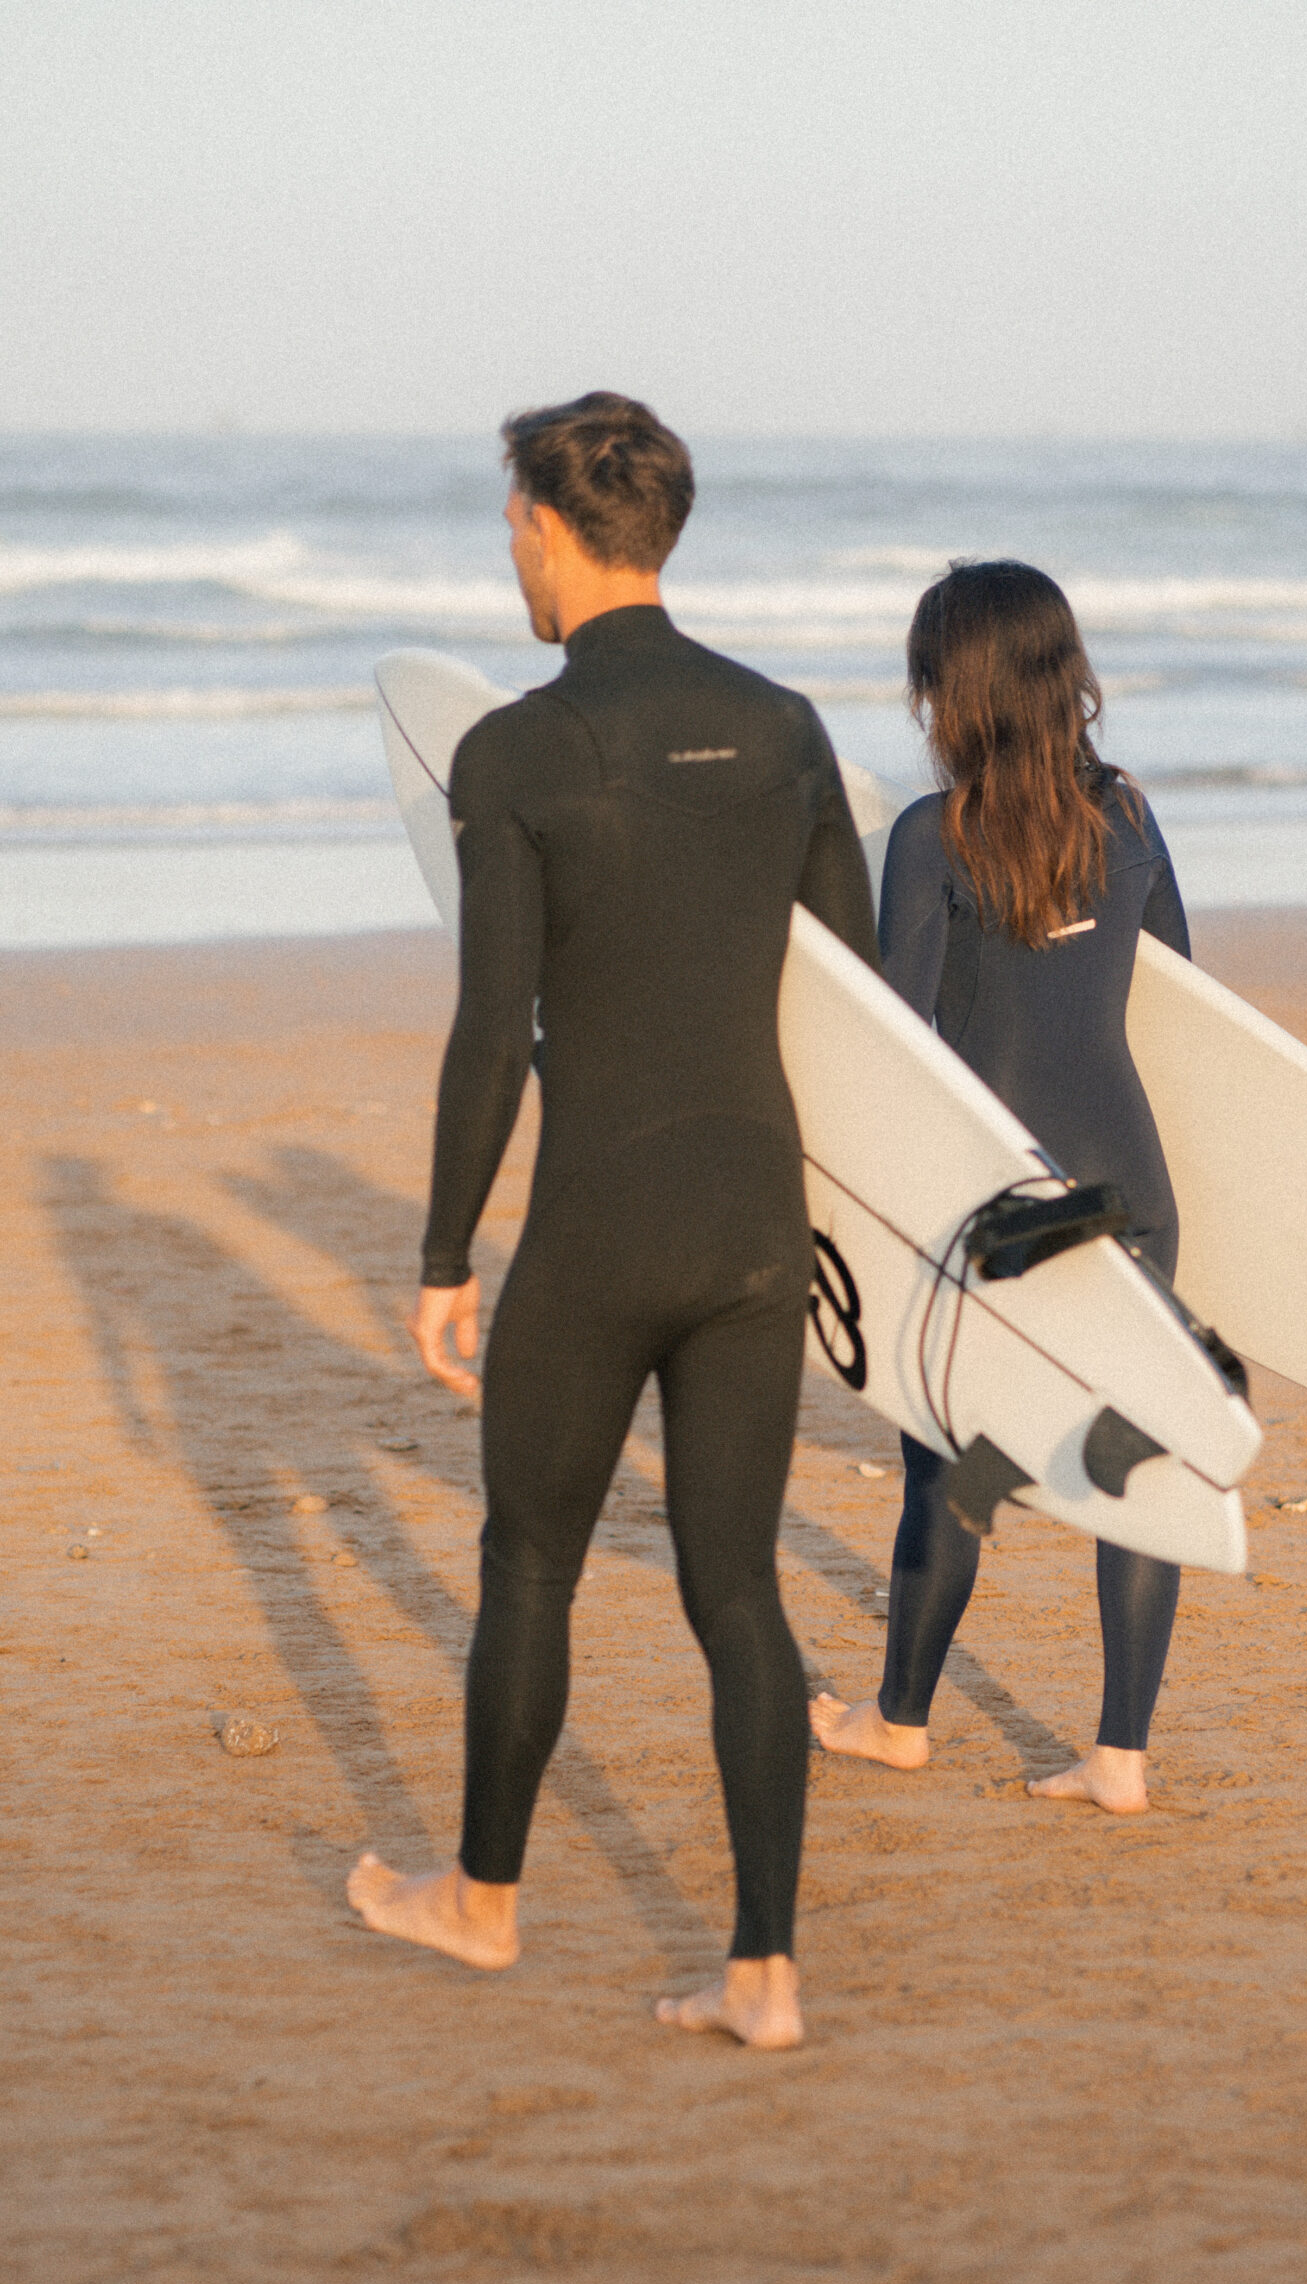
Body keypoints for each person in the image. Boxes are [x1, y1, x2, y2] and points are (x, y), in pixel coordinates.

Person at [347, 394, 878, 2047]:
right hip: (751, 1221)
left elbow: (494, 1025)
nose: (508, 545)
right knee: (738, 1593)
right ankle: (767, 1976)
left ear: (545, 526)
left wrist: (445, 1252)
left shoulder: (514, 753)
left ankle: (481, 1907)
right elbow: (854, 1003)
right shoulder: (788, 730)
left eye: (511, 518)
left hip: (598, 1221)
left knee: (529, 1561)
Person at [811, 560, 1190, 1814]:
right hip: (1128, 1188)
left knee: (951, 1465)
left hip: (998, 1206)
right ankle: (1119, 1758)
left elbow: (897, 1038)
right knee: (1130, 1459)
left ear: (951, 688)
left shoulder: (935, 837)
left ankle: (899, 1720)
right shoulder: (1128, 814)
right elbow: (1179, 983)